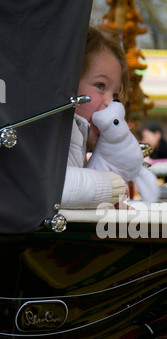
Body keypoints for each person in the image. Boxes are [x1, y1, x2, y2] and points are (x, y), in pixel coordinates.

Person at [61, 26, 129, 209]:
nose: (111, 103)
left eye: (115, 96)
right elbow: (54, 186)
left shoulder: (75, 135)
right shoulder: (49, 130)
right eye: (100, 85)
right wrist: (113, 187)